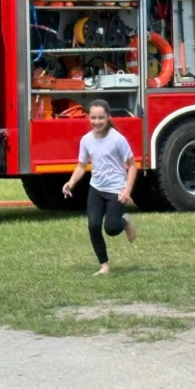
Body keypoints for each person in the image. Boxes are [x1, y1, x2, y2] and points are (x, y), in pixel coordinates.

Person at [62, 99, 137, 276]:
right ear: (88, 117)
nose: (97, 121)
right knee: (93, 225)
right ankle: (104, 266)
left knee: (111, 229)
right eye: (93, 117)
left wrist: (127, 190)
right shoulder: (86, 140)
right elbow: (81, 166)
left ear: (108, 117)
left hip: (116, 190)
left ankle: (124, 221)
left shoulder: (117, 139)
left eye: (101, 118)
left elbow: (132, 166)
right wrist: (71, 183)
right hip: (96, 188)